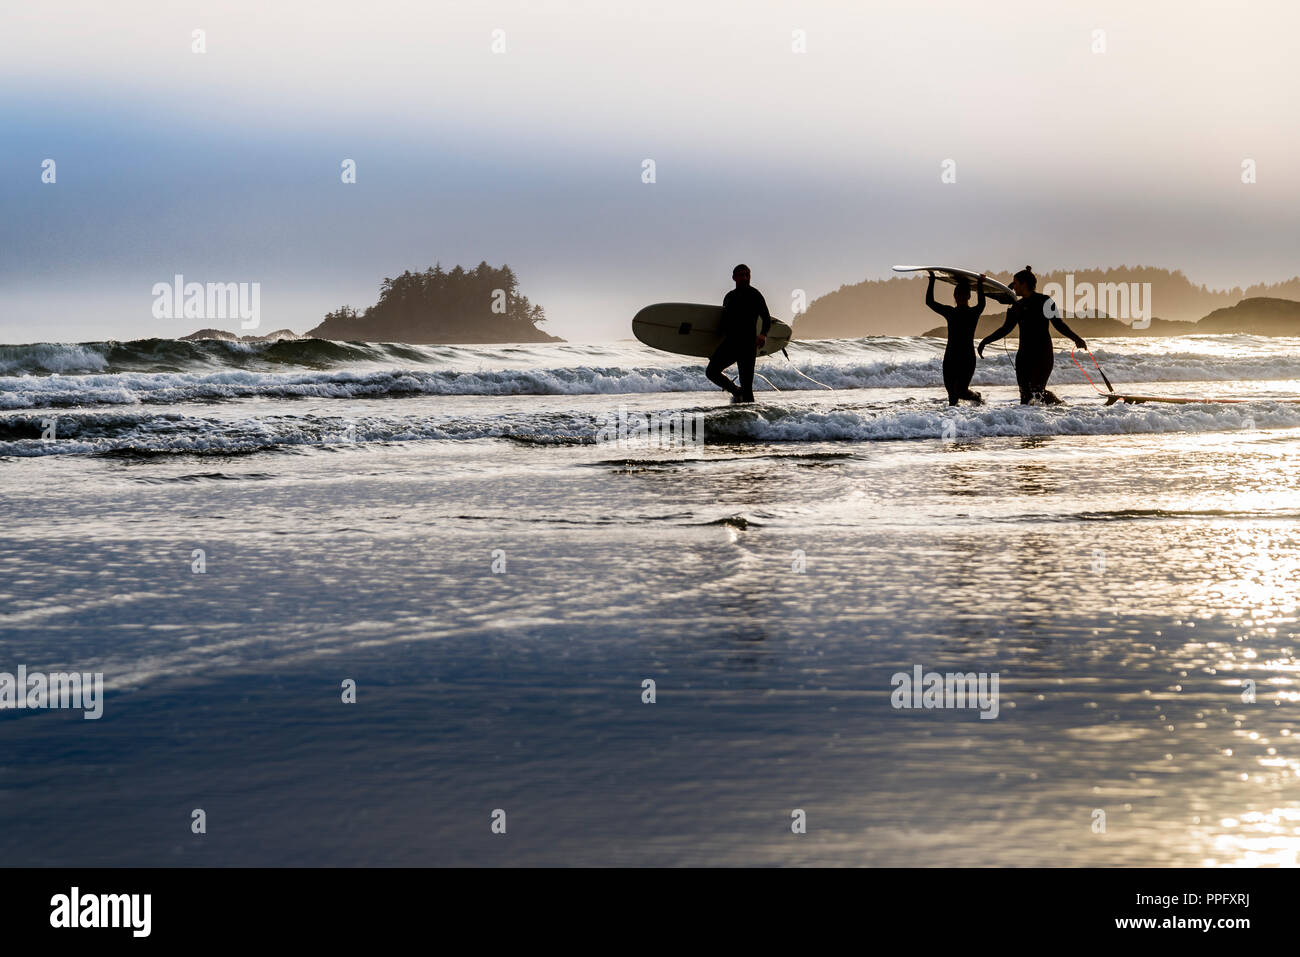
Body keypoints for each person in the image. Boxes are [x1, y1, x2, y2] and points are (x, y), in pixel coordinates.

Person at [978, 266, 1086, 405]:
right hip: (1024, 355)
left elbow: (1059, 324)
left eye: (1015, 283)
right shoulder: (1017, 306)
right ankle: (1027, 424)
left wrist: (1077, 339)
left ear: (1024, 284)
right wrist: (985, 341)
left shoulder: (1045, 301)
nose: (1013, 287)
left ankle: (1060, 407)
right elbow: (1005, 329)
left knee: (1037, 390)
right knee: (1025, 394)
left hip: (1043, 354)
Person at [706, 264, 771, 403]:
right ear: (734, 277)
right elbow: (723, 323)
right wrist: (712, 348)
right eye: (741, 275)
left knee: (748, 388)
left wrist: (763, 334)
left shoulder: (755, 294)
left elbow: (766, 318)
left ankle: (752, 421)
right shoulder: (729, 297)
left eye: (747, 275)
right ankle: (736, 391)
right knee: (711, 372)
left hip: (748, 345)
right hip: (730, 343)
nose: (745, 278)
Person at [925, 271, 986, 405]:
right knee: (952, 395)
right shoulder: (950, 312)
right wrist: (932, 280)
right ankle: (955, 422)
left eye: (964, 294)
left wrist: (980, 284)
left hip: (967, 357)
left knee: (961, 391)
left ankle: (976, 397)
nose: (961, 296)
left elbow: (982, 303)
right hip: (950, 357)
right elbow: (929, 302)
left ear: (969, 296)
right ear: (954, 295)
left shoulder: (973, 312)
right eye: (959, 294)